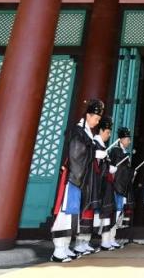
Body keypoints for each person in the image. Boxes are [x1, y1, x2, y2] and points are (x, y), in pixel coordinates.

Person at [50, 99, 104, 262]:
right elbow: (76, 153)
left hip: (81, 178)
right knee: (66, 212)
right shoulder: (77, 131)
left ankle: (66, 247)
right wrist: (93, 153)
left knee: (74, 213)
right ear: (88, 115)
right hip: (73, 177)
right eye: (96, 118)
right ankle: (58, 250)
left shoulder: (87, 133)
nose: (97, 122)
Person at [90, 115, 117, 251]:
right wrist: (97, 157)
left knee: (106, 211)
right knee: (93, 212)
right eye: (107, 132)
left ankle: (105, 241)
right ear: (100, 130)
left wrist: (109, 167)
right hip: (96, 184)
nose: (108, 135)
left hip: (105, 184)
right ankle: (84, 242)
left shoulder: (101, 145)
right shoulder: (94, 144)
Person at [108, 126, 134, 249]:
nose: (129, 141)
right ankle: (108, 238)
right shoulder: (115, 151)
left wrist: (131, 172)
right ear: (121, 139)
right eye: (127, 139)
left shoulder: (123, 152)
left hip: (122, 185)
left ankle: (112, 238)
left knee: (119, 210)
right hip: (116, 184)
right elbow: (114, 168)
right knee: (114, 210)